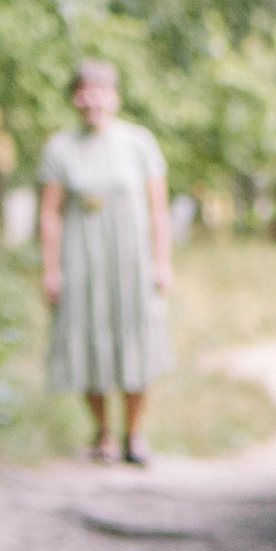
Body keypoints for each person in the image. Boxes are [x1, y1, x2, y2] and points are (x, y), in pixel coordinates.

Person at [37, 60, 172, 464]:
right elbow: (49, 214)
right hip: (82, 261)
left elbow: (158, 208)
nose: (92, 98)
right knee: (86, 341)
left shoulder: (139, 143)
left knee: (137, 340)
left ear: (114, 96)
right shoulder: (59, 148)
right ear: (74, 97)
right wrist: (50, 269)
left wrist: (162, 262)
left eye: (100, 90)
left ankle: (135, 435)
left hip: (132, 261)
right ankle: (103, 434)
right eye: (83, 90)